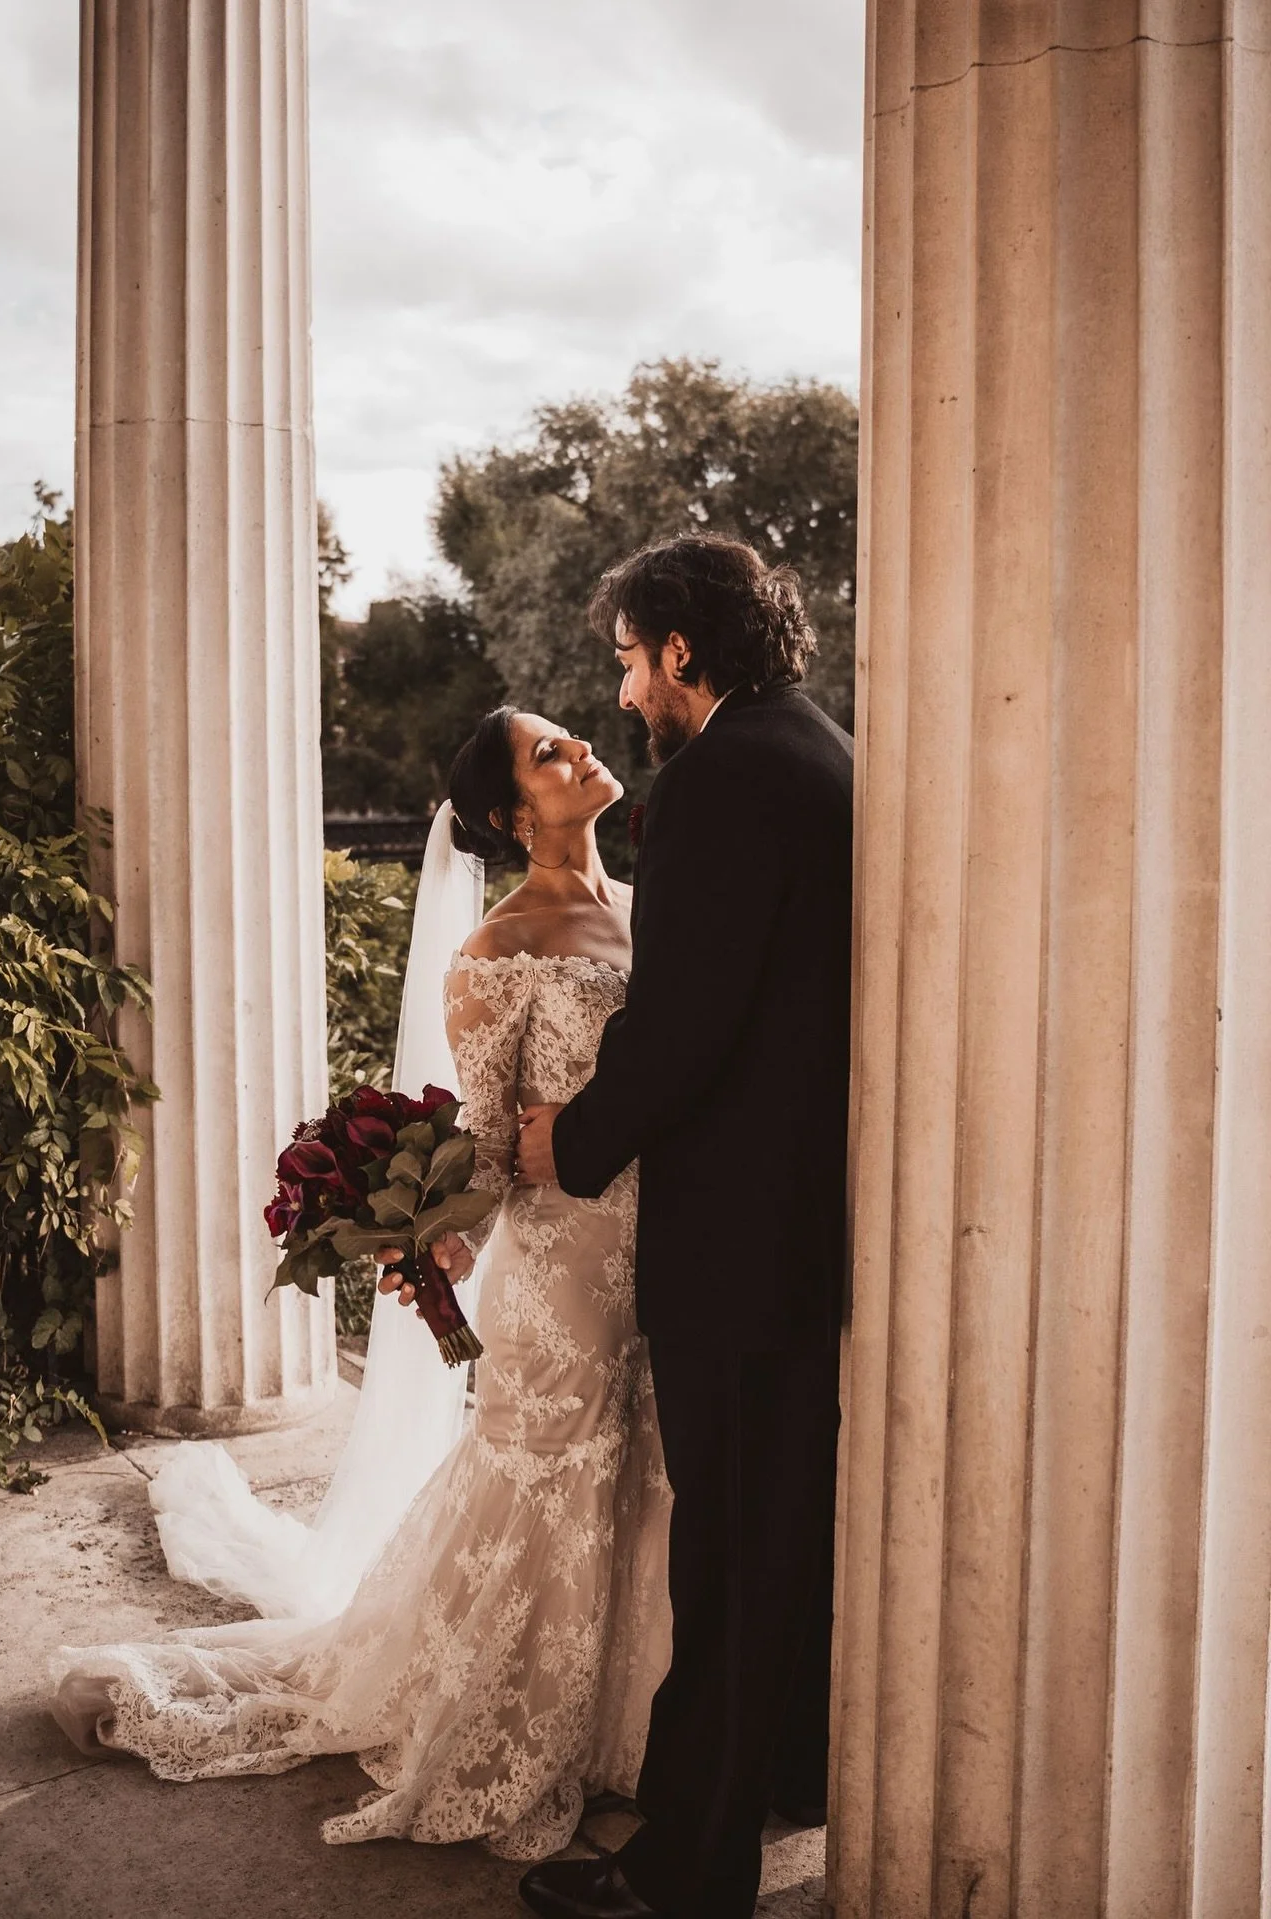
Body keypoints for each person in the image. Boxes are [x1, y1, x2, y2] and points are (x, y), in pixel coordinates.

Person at [49, 707, 674, 1863]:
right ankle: (526, 1726)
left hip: (663, 1255)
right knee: (557, 1497)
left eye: (572, 735)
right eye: (548, 754)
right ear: (508, 815)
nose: (581, 748)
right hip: (561, 1281)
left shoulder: (647, 910)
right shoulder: (497, 949)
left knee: (648, 1486)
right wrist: (435, 1241)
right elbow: (485, 1145)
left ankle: (635, 1730)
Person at [511, 534, 853, 1919]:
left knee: (729, 1549)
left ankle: (684, 1870)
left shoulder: (715, 780)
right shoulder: (822, 748)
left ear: (682, 648)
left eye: (629, 661)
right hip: (807, 1210)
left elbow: (684, 1025)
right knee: (784, 1530)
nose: (626, 692)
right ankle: (796, 1774)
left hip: (736, 1230)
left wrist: (570, 1138)